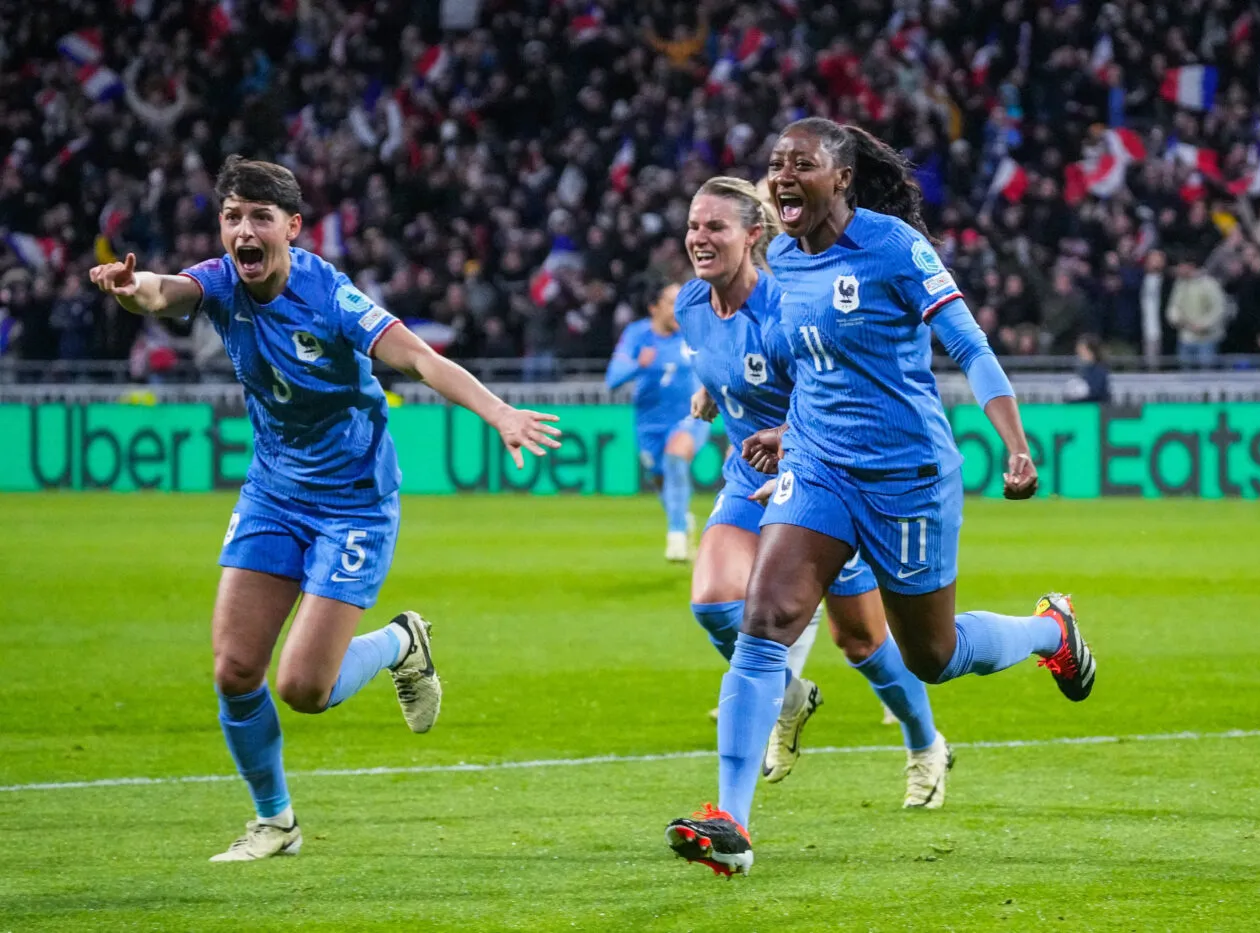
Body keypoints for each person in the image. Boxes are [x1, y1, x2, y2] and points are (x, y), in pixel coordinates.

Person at [88, 156, 561, 862]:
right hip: (274, 492)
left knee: (304, 687)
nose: (243, 230)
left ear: (293, 228)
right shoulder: (219, 281)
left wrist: (497, 411)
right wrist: (128, 292)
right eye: (231, 217)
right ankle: (275, 821)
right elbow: (160, 293)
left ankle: (401, 641)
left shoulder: (330, 296)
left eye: (259, 217)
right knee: (233, 668)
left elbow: (420, 360)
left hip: (353, 503)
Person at [665, 119, 1097, 876]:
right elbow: (806, 372)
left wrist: (1016, 443)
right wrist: (782, 432)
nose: (783, 176)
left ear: (842, 177)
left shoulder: (894, 246)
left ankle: (1048, 633)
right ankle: (730, 820)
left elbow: (969, 346)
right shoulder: (785, 265)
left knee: (932, 654)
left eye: (802, 164)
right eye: (776, 165)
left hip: (908, 476)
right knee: (764, 620)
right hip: (819, 470)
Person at [675, 176, 952, 814]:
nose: (699, 238)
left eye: (715, 227)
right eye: (694, 225)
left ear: (754, 236)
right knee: (715, 601)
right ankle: (790, 695)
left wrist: (785, 431)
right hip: (751, 479)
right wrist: (713, 392)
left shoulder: (786, 306)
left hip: (820, 473)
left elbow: (834, 386)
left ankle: (924, 741)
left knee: (860, 642)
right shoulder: (692, 303)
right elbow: (722, 361)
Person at [605, 276, 710, 561]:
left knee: (676, 457)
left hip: (689, 417)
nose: (679, 309)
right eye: (671, 302)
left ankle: (676, 534)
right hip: (649, 422)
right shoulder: (637, 335)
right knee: (662, 479)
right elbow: (612, 379)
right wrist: (638, 365)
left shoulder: (693, 332)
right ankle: (681, 517)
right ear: (654, 307)